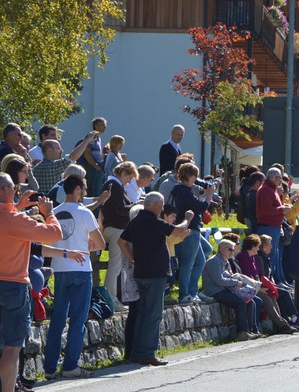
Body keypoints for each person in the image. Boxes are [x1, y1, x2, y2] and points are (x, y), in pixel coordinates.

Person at [0, 173, 62, 392]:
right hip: (13, 285)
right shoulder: (15, 219)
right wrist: (48, 212)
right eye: (13, 188)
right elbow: (54, 234)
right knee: (12, 348)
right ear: (7, 189)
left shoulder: (14, 214)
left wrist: (18, 205)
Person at [43, 176, 106, 379]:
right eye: (84, 187)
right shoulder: (84, 212)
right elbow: (101, 243)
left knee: (58, 319)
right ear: (78, 189)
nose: (85, 191)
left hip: (60, 268)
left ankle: (49, 368)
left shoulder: (55, 211)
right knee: (77, 319)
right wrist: (88, 241)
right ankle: (70, 365)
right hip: (80, 268)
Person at [118, 192, 192, 364]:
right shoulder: (152, 221)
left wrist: (133, 259)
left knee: (143, 313)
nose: (162, 208)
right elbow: (178, 229)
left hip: (141, 272)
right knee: (153, 314)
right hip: (155, 273)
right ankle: (147, 353)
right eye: (161, 204)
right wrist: (188, 218)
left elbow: (121, 242)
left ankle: (136, 352)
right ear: (156, 204)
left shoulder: (136, 221)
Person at [172, 163, 216, 303]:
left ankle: (192, 291)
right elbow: (201, 208)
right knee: (188, 262)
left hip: (192, 228)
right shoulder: (184, 190)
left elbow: (193, 206)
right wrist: (209, 196)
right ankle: (185, 294)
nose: (197, 178)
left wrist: (200, 197)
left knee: (201, 259)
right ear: (190, 176)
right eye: (195, 175)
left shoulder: (184, 190)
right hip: (190, 229)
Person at [202, 240, 259, 341]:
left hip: (224, 288)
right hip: (215, 291)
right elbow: (219, 281)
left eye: (233, 249)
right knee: (240, 303)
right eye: (230, 249)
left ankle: (251, 330)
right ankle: (242, 333)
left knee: (251, 302)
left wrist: (237, 280)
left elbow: (228, 276)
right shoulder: (214, 261)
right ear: (222, 249)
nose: (232, 252)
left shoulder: (225, 260)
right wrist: (235, 283)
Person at [100, 161, 138, 310]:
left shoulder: (115, 185)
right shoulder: (114, 185)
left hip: (115, 229)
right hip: (115, 229)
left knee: (116, 266)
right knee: (114, 266)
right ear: (123, 173)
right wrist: (135, 205)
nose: (130, 181)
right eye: (129, 178)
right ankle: (110, 299)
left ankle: (112, 297)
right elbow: (121, 210)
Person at [255, 167, 291, 286]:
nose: (281, 181)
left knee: (275, 254)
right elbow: (267, 210)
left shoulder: (271, 189)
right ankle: (272, 281)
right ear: (275, 178)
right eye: (280, 178)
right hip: (268, 226)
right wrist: (282, 209)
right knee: (270, 254)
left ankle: (278, 280)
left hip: (273, 226)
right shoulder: (266, 190)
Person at [78, 117, 107, 197]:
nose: (105, 127)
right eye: (103, 125)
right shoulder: (92, 136)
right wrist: (96, 167)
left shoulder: (98, 138)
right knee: (95, 193)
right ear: (96, 125)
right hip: (92, 168)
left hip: (96, 166)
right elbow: (87, 154)